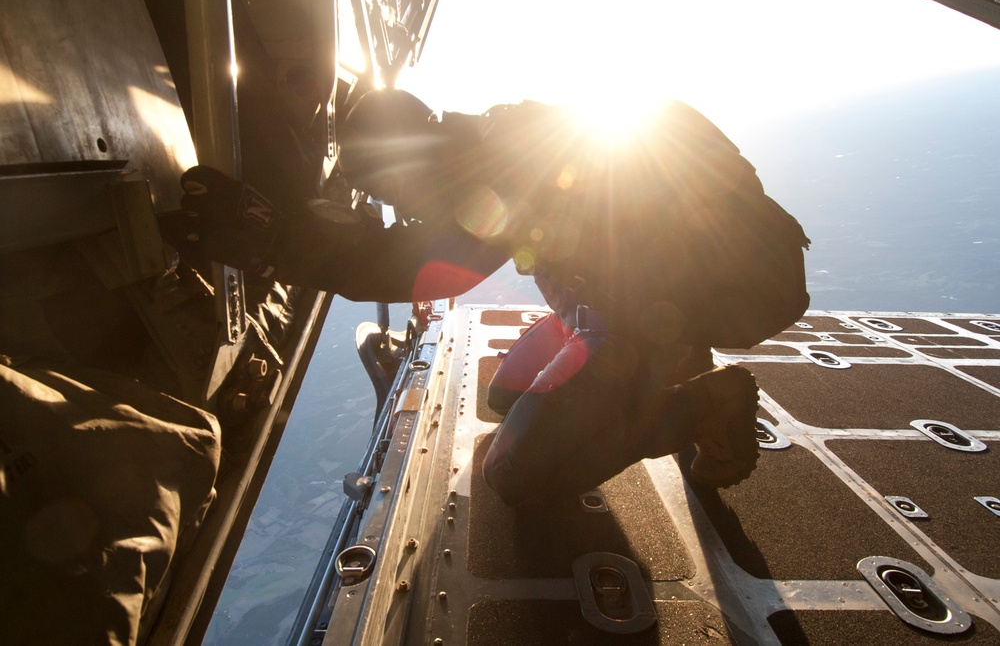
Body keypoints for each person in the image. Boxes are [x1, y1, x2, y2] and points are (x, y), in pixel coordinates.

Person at [179, 89, 810, 509]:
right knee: (504, 394)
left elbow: (428, 270)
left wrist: (275, 242)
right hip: (643, 299)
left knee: (516, 477)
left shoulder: (500, 165)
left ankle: (702, 405)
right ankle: (669, 357)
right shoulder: (498, 136)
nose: (399, 203)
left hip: (662, 311)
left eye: (389, 186)